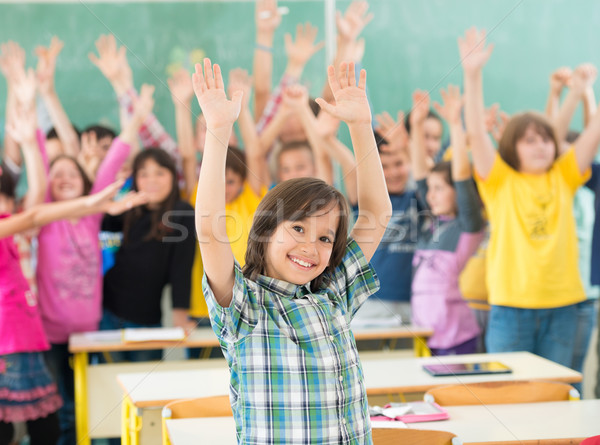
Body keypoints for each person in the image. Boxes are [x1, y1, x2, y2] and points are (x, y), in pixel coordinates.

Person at [193, 58, 391, 444]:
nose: (309, 247)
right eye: (298, 228)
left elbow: (378, 213)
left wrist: (361, 127)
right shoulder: (244, 305)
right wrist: (218, 131)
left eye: (324, 238)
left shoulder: (333, 292)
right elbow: (209, 230)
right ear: (266, 231)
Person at [461, 28, 600, 367]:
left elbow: (594, 130)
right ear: (511, 148)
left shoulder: (564, 176)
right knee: (512, 399)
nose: (539, 146)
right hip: (511, 309)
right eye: (528, 140)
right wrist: (472, 73)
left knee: (561, 400)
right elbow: (477, 133)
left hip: (564, 307)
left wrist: (584, 91)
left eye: (544, 139)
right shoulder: (499, 180)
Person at [37, 85, 153, 445]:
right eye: (57, 174)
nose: (65, 177)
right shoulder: (42, 217)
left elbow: (113, 162)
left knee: (100, 404)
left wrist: (135, 120)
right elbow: (38, 162)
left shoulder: (90, 217)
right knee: (66, 408)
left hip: (90, 331)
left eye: (73, 172)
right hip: (51, 334)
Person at [0, 178, 145, 445]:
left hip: (24, 335)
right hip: (9, 340)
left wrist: (95, 206)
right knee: (20, 429)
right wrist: (92, 202)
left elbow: (40, 214)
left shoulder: (6, 220)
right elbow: (35, 216)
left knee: (44, 428)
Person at [100, 148, 196, 361]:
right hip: (108, 313)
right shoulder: (127, 209)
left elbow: (182, 268)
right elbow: (98, 219)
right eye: (144, 174)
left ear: (173, 176)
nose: (152, 180)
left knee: (142, 386)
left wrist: (180, 316)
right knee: (107, 385)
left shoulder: (182, 213)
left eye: (160, 172)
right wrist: (118, 199)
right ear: (135, 180)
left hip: (146, 319)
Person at [409, 86, 484, 356]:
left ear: (459, 192)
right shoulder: (433, 224)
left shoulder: (468, 225)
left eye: (440, 188)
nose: (431, 195)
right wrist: (416, 127)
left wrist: (455, 124)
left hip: (456, 337)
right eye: (430, 189)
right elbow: (420, 175)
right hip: (425, 335)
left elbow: (462, 176)